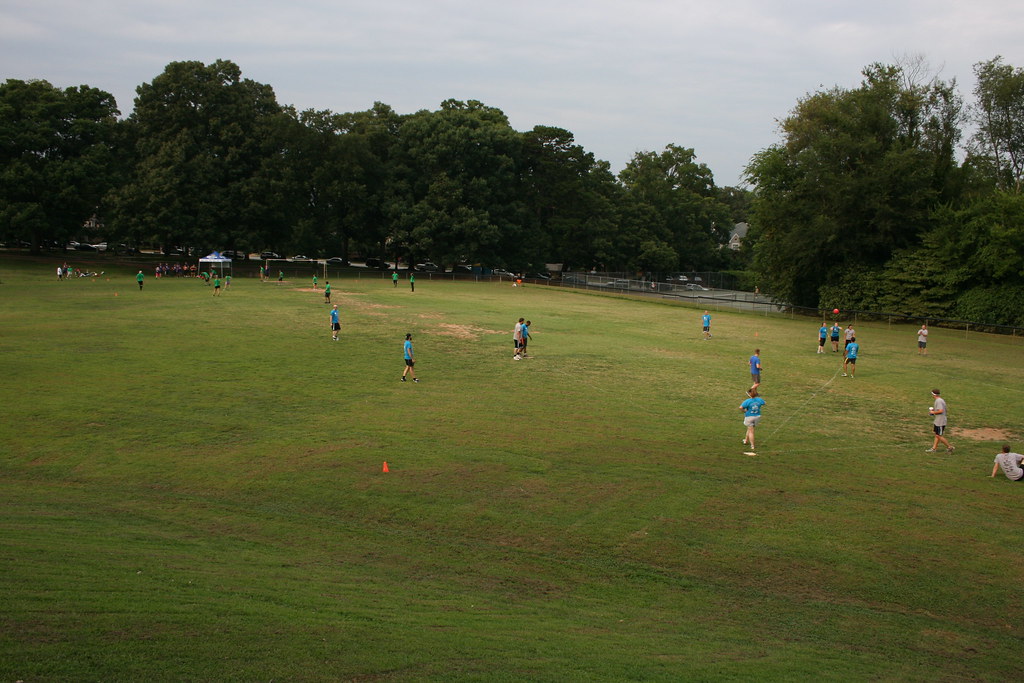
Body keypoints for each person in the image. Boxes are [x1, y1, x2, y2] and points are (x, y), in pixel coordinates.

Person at [740, 388, 766, 452]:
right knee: (750, 428)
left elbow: (741, 407)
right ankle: (746, 440)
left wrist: (744, 411)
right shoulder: (759, 400)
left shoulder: (747, 401)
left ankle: (752, 445)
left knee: (751, 431)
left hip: (749, 417)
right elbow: (764, 403)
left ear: (749, 394)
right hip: (757, 416)